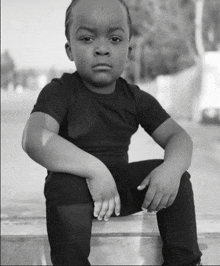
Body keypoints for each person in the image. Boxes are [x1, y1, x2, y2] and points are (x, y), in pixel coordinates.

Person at [22, 0, 202, 265]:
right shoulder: (60, 91)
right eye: (87, 38)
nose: (102, 49)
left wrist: (171, 170)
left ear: (128, 51)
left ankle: (184, 261)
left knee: (179, 178)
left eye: (115, 39)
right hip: (72, 198)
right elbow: (34, 138)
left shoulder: (134, 98)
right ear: (70, 50)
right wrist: (94, 170)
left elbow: (179, 137)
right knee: (63, 182)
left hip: (118, 194)